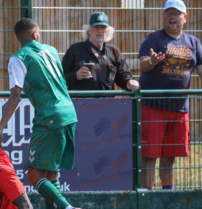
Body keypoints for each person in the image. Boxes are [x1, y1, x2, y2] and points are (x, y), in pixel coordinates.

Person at [0, 18, 85, 209]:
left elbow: (15, 96)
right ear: (36, 33)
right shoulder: (52, 50)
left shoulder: (19, 58)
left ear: (19, 37)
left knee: (35, 176)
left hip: (48, 117)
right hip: (68, 113)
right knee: (51, 175)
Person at [139, 0, 202, 190]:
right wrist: (151, 61)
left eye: (176, 13)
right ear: (163, 16)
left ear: (185, 17)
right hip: (153, 107)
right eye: (168, 13)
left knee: (169, 157)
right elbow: (143, 64)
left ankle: (168, 199)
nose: (172, 17)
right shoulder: (153, 39)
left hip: (179, 108)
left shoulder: (194, 42)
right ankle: (146, 201)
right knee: (149, 156)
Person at [62, 11, 139, 91]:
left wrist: (129, 81)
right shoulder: (75, 50)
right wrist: (77, 75)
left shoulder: (114, 51)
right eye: (96, 27)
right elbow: (61, 78)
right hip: (81, 101)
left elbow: (123, 75)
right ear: (89, 31)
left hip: (107, 102)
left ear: (108, 31)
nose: (100, 31)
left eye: (103, 27)